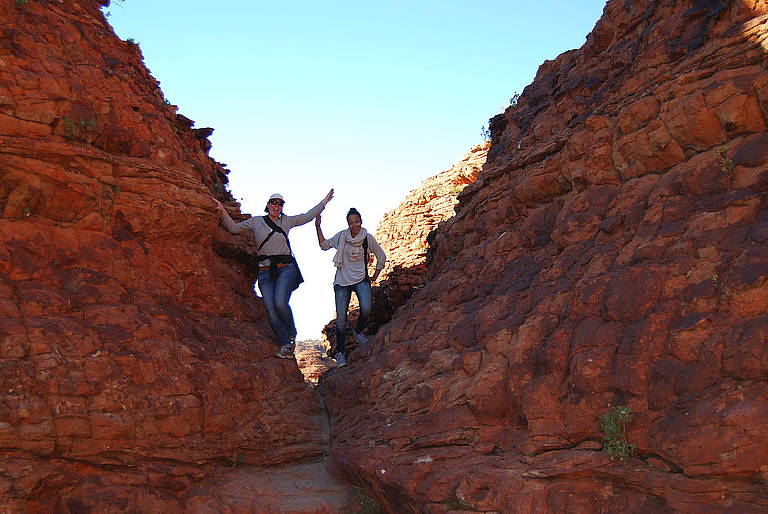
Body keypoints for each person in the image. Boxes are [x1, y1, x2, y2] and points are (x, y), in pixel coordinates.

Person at [216, 189, 334, 359]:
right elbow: (233, 228)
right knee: (270, 310)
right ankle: (286, 344)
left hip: (286, 268)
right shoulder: (256, 222)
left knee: (279, 302)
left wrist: (324, 203)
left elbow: (307, 216)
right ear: (268, 205)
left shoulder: (287, 221)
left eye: (280, 203)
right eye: (274, 202)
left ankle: (292, 333)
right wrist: (221, 209)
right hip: (265, 271)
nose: (276, 206)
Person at [315, 207, 386, 367]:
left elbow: (381, 256)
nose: (354, 225)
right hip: (341, 282)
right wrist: (318, 227)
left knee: (366, 308)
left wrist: (374, 276)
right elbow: (324, 245)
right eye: (351, 223)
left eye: (357, 222)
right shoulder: (342, 237)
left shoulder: (367, 238)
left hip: (361, 279)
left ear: (361, 221)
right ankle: (340, 353)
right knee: (341, 319)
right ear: (348, 224)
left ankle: (358, 331)